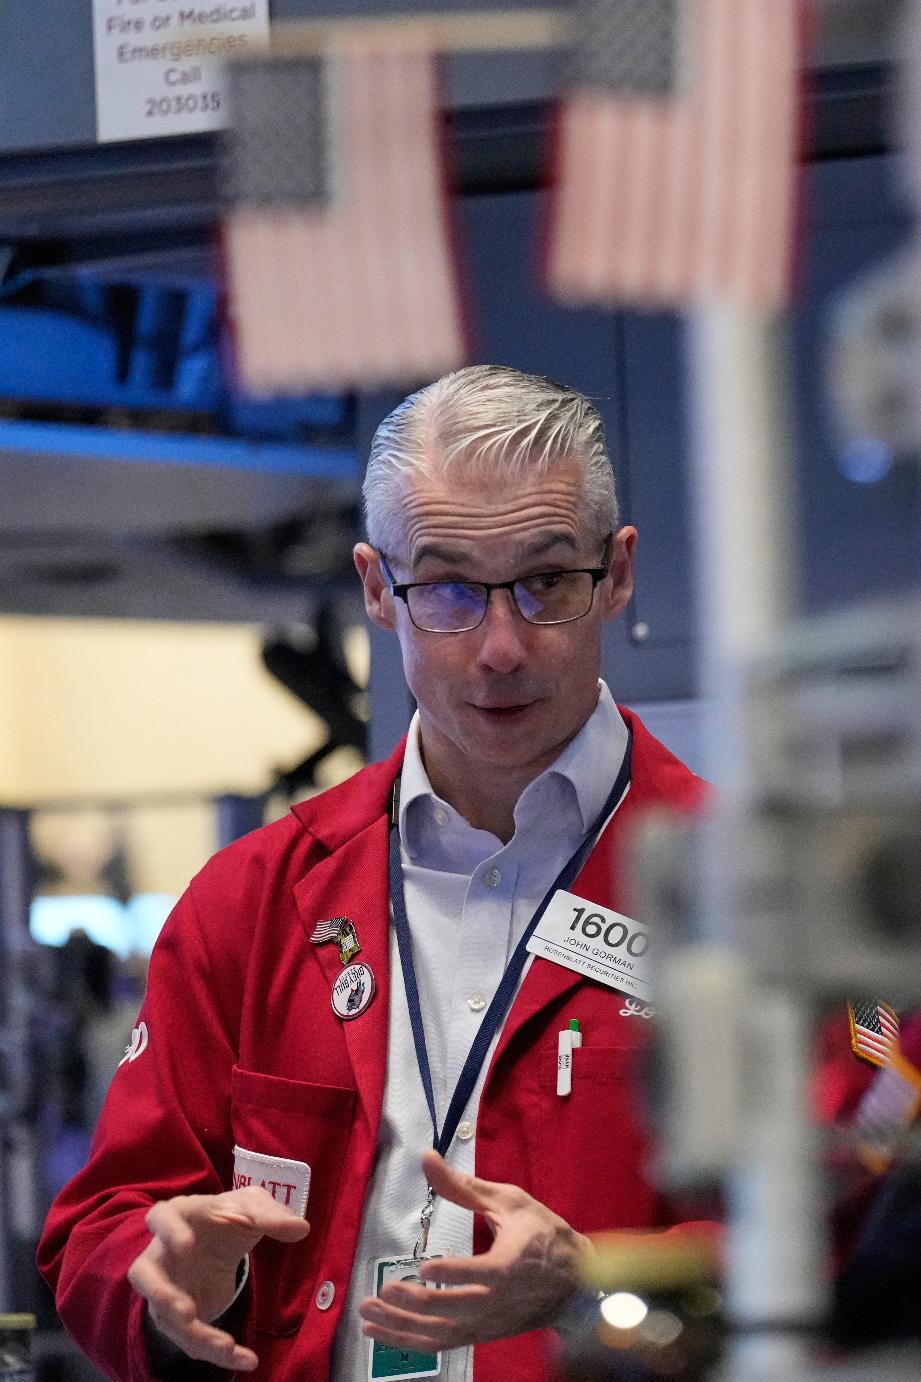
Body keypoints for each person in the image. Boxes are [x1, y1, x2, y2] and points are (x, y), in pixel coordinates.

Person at [37, 365, 709, 1382]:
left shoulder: (745, 885)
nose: (499, 646)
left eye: (546, 581)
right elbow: (103, 1226)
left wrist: (595, 1275)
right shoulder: (252, 901)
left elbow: (860, 1242)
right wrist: (165, 1273)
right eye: (444, 587)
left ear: (616, 574)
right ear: (374, 588)